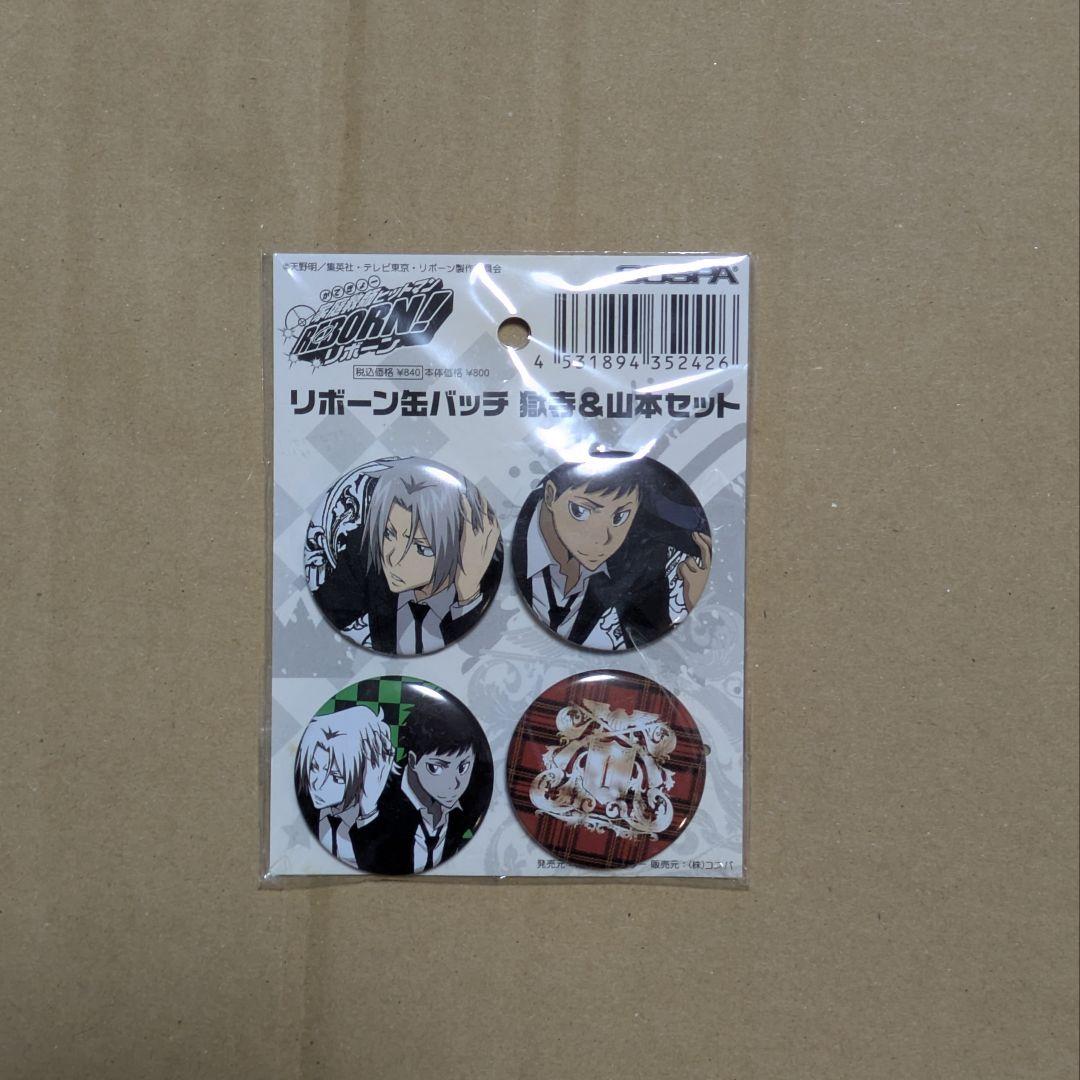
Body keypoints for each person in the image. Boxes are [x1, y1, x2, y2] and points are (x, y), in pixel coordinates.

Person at [307, 457, 502, 655]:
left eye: (421, 547)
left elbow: (479, 652)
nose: (392, 558)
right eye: (388, 533)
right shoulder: (366, 557)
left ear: (461, 545)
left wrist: (468, 596)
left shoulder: (487, 580)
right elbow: (320, 617)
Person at [512, 456, 711, 649]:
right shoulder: (506, 535)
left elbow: (653, 643)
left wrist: (692, 603)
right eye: (580, 511)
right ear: (550, 495)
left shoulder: (641, 557)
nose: (602, 538)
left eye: (620, 517)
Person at [352, 701, 486, 875]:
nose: (454, 783)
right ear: (413, 760)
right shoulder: (376, 798)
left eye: (463, 768)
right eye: (436, 768)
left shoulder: (475, 800)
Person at [294, 705, 395, 868]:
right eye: (314, 767)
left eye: (336, 776)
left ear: (368, 772)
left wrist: (369, 810)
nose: (316, 783)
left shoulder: (393, 818)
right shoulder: (300, 806)